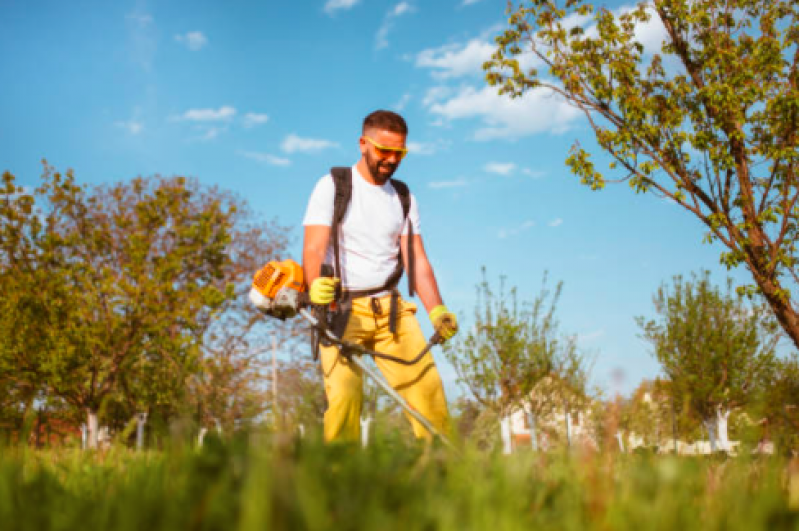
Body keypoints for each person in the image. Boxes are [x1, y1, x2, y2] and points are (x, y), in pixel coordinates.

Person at [302, 109, 458, 443]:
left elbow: (417, 259)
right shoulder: (334, 186)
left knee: (428, 391)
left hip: (391, 311)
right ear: (363, 144)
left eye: (399, 153)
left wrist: (437, 310)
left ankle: (444, 475)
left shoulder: (403, 197)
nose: (391, 159)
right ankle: (340, 484)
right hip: (341, 310)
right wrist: (315, 284)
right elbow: (314, 248)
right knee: (344, 399)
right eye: (383, 151)